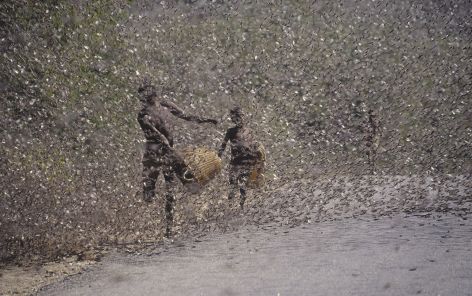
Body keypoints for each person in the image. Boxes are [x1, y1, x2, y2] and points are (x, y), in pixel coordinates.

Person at [137, 83, 217, 237]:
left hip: (169, 152)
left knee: (185, 186)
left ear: (153, 92)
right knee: (149, 194)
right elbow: (151, 130)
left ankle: (169, 228)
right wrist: (162, 138)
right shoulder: (142, 114)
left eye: (147, 92)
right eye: (142, 94)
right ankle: (148, 216)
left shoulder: (165, 105)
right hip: (153, 154)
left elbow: (185, 115)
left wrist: (205, 120)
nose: (145, 96)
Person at [218, 107, 263, 209]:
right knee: (232, 183)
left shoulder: (249, 131)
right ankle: (230, 204)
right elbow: (223, 145)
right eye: (236, 117)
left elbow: (254, 145)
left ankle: (241, 205)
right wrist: (217, 157)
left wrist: (257, 158)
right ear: (233, 119)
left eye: (241, 116)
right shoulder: (230, 131)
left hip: (246, 161)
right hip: (235, 162)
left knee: (242, 183)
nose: (239, 119)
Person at [364, 109, 382, 174]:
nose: (373, 117)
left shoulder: (376, 121)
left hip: (374, 137)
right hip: (370, 137)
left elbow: (379, 129)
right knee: (369, 152)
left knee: (373, 151)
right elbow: (366, 130)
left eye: (374, 116)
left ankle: (372, 167)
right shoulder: (368, 122)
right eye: (372, 116)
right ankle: (370, 166)